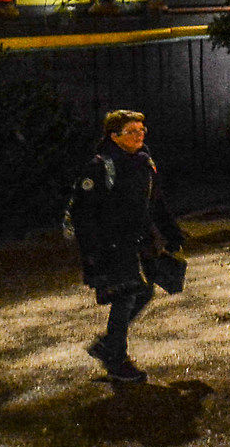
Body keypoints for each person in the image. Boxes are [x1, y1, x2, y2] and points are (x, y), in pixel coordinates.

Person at [67, 110, 186, 384]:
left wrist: (172, 234)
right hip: (111, 246)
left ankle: (108, 345)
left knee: (144, 292)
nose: (139, 135)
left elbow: (156, 203)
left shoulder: (144, 163)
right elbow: (84, 215)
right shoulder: (100, 167)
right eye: (131, 131)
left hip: (138, 242)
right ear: (114, 136)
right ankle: (117, 360)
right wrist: (92, 255)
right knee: (126, 297)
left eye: (141, 130)